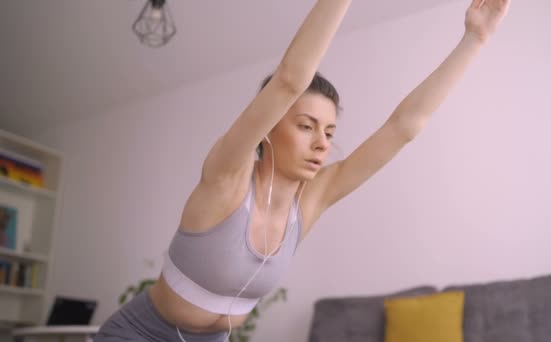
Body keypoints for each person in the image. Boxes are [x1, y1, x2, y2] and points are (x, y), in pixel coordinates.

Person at [94, 0, 510, 341]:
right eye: (306, 126)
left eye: (329, 131)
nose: (322, 143)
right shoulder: (227, 175)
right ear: (269, 126)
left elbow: (404, 128)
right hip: (140, 334)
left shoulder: (312, 197)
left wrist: (475, 38)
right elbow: (290, 80)